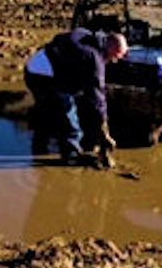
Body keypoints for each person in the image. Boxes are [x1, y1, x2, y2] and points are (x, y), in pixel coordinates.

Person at [24, 28, 128, 166]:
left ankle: (40, 139)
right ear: (111, 49)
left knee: (53, 107)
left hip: (35, 66)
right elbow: (97, 97)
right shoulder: (94, 59)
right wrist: (104, 128)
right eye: (115, 57)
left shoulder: (86, 35)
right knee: (67, 115)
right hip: (43, 77)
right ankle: (71, 155)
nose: (114, 62)